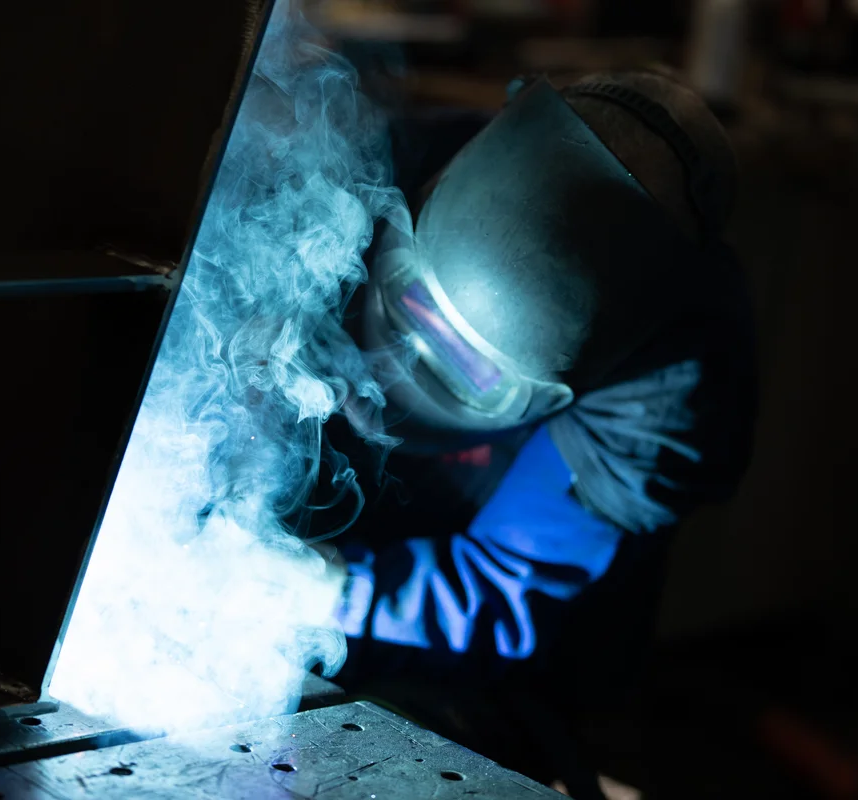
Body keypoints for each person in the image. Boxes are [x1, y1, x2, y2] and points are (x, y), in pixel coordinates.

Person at [322, 70, 757, 798]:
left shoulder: (671, 388)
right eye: (412, 307)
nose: (392, 374)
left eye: (466, 370)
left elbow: (504, 585)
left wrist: (316, 586)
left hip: (513, 666)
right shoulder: (385, 169)